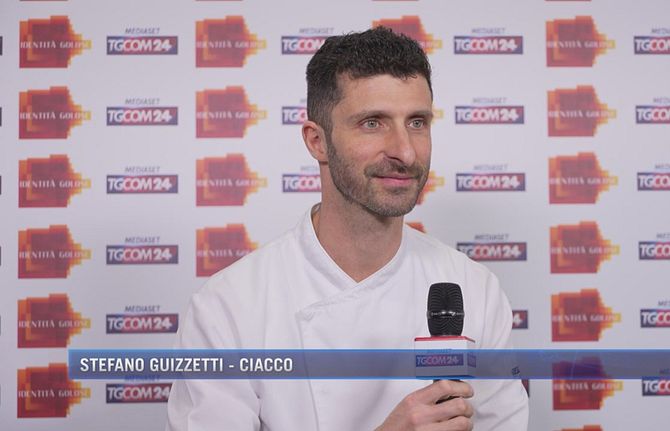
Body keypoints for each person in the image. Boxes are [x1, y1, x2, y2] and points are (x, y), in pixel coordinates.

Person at [166, 27, 528, 431]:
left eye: (417, 122)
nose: (405, 151)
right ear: (317, 142)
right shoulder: (228, 307)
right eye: (372, 123)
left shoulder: (474, 288)